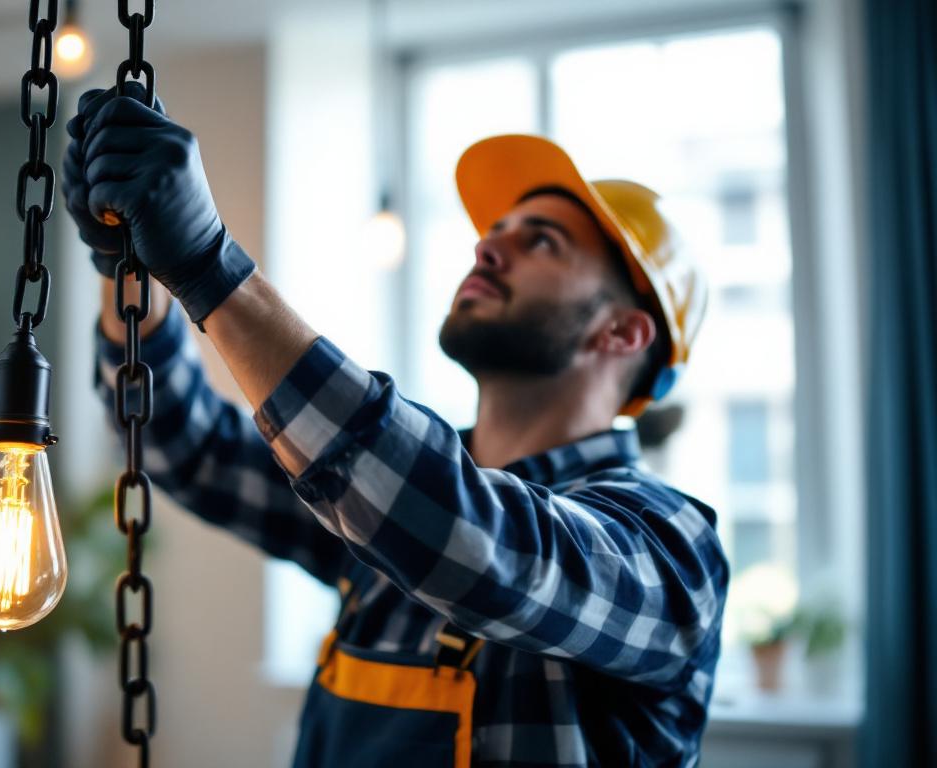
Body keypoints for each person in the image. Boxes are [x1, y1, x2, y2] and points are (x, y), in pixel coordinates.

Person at [61, 86, 728, 768]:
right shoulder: (376, 508)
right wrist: (127, 274)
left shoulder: (672, 550)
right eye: (493, 234)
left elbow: (476, 546)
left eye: (542, 243)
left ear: (623, 331)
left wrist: (209, 266)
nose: (488, 249)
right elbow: (184, 443)